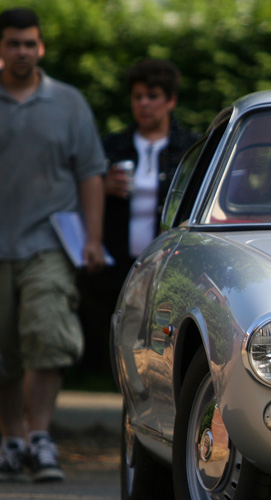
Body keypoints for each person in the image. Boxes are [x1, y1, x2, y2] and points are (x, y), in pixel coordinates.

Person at [0, 7, 107, 483]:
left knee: (47, 336)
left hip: (48, 244)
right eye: (13, 43)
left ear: (40, 47)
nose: (22, 51)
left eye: (29, 43)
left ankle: (40, 436)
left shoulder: (68, 102)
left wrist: (94, 239)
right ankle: (11, 437)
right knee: (4, 350)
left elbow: (90, 173)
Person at [76, 58, 199, 378]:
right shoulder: (111, 146)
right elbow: (79, 192)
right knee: (125, 339)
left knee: (162, 341)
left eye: (153, 96)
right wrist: (102, 186)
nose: (144, 104)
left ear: (170, 100)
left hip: (169, 261)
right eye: (138, 96)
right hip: (119, 261)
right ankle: (128, 395)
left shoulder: (190, 148)